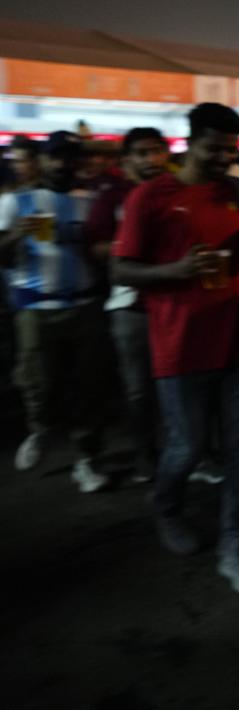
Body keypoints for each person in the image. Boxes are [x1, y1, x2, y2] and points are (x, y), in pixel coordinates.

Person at [111, 103, 239, 595]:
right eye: (213, 148)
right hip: (178, 348)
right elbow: (121, 269)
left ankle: (235, 545)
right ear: (188, 142)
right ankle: (166, 506)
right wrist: (172, 273)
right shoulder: (151, 197)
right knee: (188, 447)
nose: (222, 158)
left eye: (230, 150)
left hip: (237, 345)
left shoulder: (238, 192)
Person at [0, 131, 111, 492]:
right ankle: (40, 430)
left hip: (84, 304)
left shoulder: (90, 201)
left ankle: (87, 458)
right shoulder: (16, 203)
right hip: (36, 307)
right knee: (38, 383)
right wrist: (17, 235)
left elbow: (102, 248)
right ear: (41, 159)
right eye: (55, 157)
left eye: (69, 157)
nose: (62, 164)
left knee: (90, 388)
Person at [85, 127, 171, 482]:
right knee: (139, 391)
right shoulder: (113, 196)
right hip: (130, 306)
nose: (151, 159)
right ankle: (147, 461)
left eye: (157, 151)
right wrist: (134, 248)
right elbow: (96, 246)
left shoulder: (177, 191)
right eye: (142, 153)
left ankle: (189, 454)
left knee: (180, 387)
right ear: (128, 159)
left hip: (173, 304)